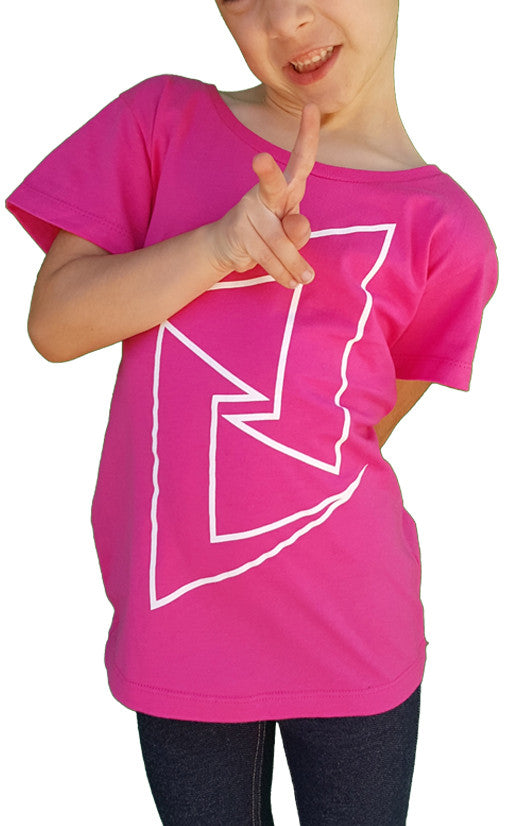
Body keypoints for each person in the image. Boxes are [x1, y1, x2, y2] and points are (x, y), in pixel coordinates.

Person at [5, 1, 498, 823]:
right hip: (178, 623)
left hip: (352, 624)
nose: (287, 18)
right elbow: (54, 325)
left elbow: (363, 427)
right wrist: (217, 247)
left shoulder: (450, 230)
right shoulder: (162, 121)